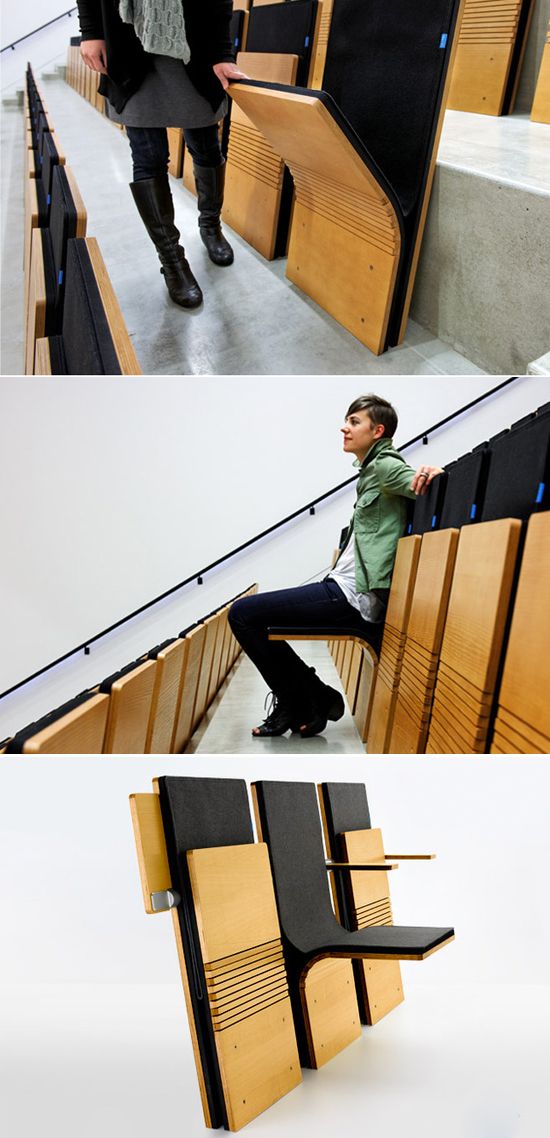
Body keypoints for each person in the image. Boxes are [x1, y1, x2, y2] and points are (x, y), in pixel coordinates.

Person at [228, 394, 444, 738]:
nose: (345, 427)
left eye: (354, 422)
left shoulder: (385, 466)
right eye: (347, 420)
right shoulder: (371, 471)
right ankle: (309, 696)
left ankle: (303, 699)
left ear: (378, 431)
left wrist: (433, 472)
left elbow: (417, 481)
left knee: (242, 614)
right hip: (342, 587)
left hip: (352, 597)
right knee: (251, 619)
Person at [76, 0, 246, 308]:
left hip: (193, 46)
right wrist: (90, 30)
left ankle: (211, 226)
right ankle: (173, 262)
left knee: (206, 147)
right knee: (148, 159)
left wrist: (223, 52)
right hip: (129, 44)